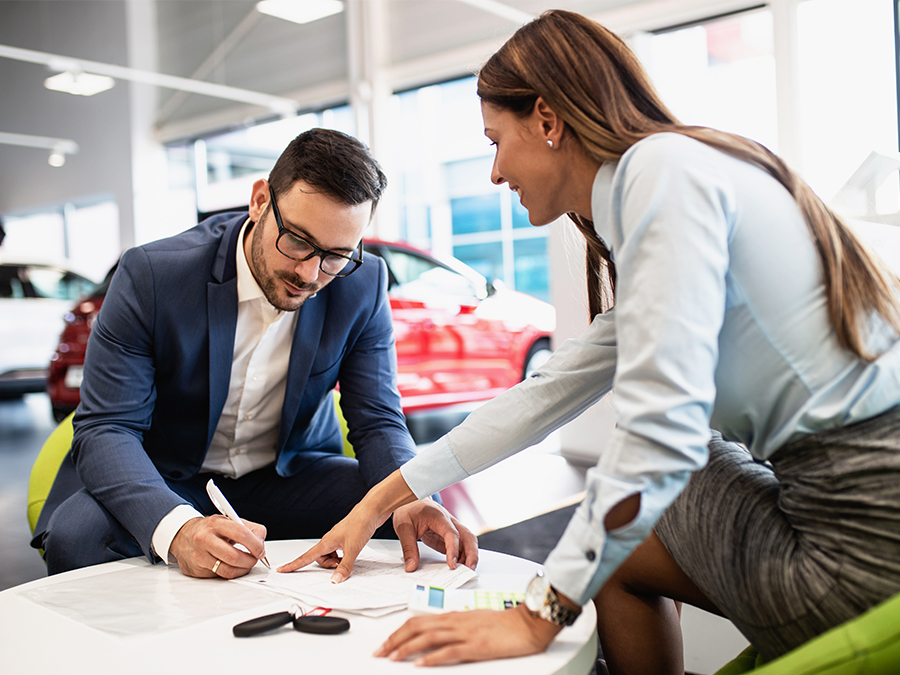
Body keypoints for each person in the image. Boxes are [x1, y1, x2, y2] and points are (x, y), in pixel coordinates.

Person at [280, 10, 900, 673]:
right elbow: (543, 396)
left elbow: (661, 434)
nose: (493, 171)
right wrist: (379, 500)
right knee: (616, 539)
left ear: (548, 120)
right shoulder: (682, 169)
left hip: (858, 545)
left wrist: (537, 616)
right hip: (856, 513)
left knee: (641, 496)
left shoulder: (658, 172)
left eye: (496, 141)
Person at [34, 128, 476, 579]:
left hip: (288, 477)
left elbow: (377, 418)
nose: (310, 274)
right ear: (260, 201)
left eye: (336, 255)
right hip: (166, 475)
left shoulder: (361, 284)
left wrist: (413, 494)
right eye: (299, 241)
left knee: (406, 518)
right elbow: (107, 428)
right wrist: (181, 528)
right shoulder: (153, 276)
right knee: (80, 537)